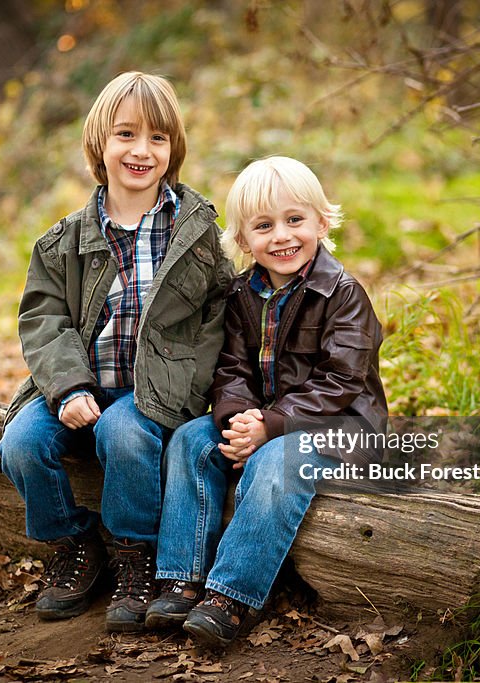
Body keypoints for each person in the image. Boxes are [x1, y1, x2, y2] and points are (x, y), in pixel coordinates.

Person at [0, 72, 233, 633]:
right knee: (22, 443)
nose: (141, 150)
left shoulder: (195, 234)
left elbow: (218, 319)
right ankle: (77, 544)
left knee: (123, 435)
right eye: (126, 134)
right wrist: (68, 387)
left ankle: (135, 556)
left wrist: (185, 392)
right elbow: (43, 319)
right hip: (82, 379)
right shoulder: (64, 241)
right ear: (100, 145)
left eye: (157, 138)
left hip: (152, 390)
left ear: (173, 149)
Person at [145, 156, 388, 647]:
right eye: (264, 226)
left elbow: (341, 381)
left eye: (294, 220)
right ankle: (181, 577)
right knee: (192, 440)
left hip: (340, 427)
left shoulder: (342, 294)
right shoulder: (241, 296)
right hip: (268, 420)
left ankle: (233, 595)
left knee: (278, 461)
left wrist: (270, 426)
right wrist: (237, 420)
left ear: (321, 222)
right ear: (243, 241)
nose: (282, 236)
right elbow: (231, 367)